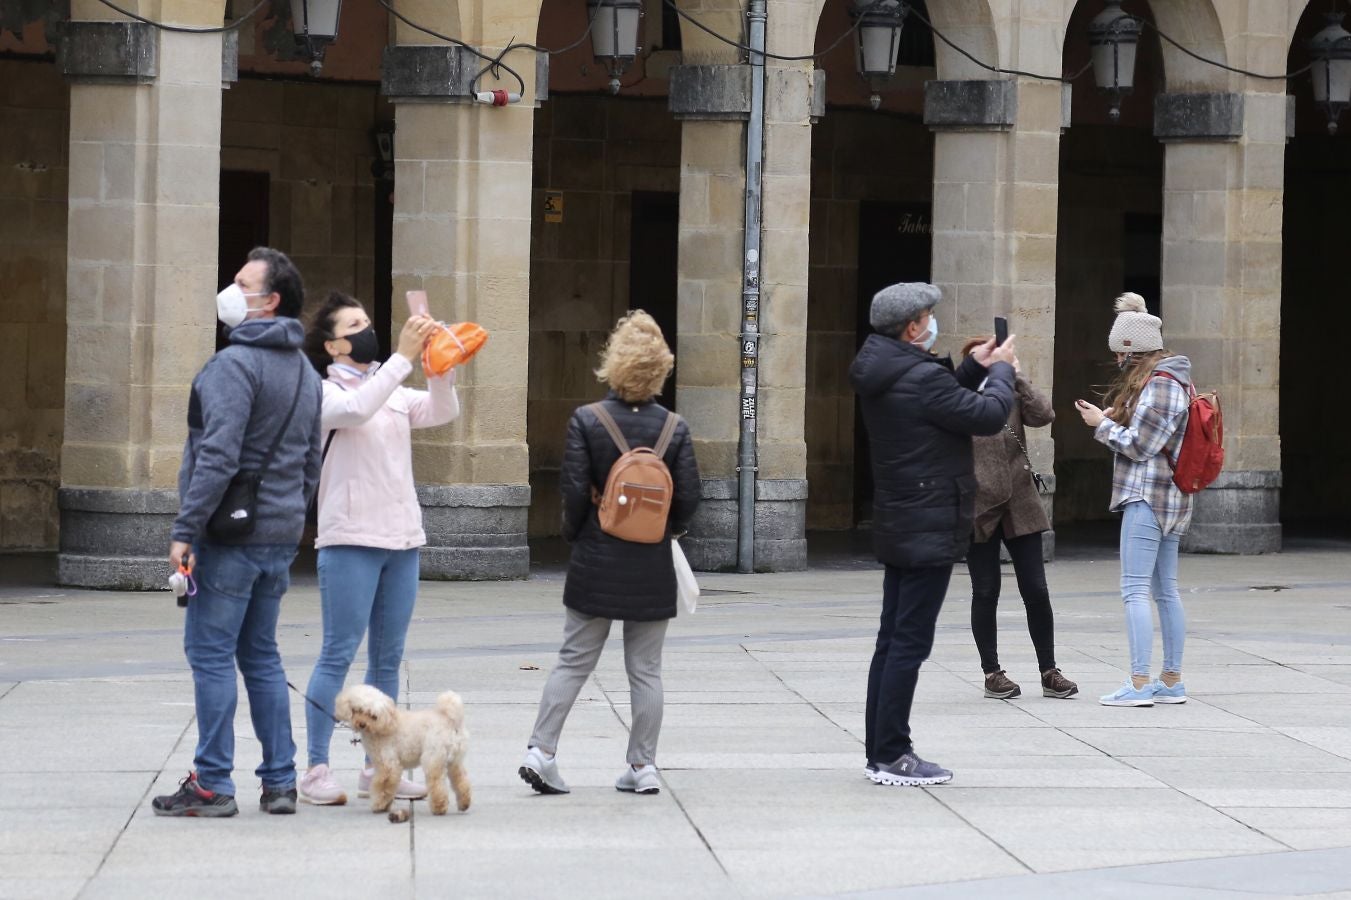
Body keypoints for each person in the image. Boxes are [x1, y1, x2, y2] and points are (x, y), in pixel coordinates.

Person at [153, 247, 323, 817]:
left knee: (210, 654)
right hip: (276, 537)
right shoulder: (304, 371)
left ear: (269, 301)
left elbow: (218, 456)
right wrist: (289, 518)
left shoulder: (232, 366)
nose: (231, 290)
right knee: (262, 657)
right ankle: (279, 781)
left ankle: (212, 781)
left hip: (227, 537)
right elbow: (308, 464)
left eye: (243, 283)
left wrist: (185, 529)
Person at [519, 310, 700, 797]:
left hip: (598, 558)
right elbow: (689, 500)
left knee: (573, 660)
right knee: (646, 670)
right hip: (651, 563)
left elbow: (574, 491)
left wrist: (578, 537)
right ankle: (642, 766)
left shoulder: (587, 420)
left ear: (612, 364)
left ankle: (542, 751)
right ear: (661, 368)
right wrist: (664, 532)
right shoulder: (674, 429)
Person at [849, 283, 1017, 787]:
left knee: (891, 638)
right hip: (929, 520)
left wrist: (973, 366)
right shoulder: (918, 377)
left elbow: (939, 401)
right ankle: (893, 754)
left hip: (903, 515)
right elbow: (986, 415)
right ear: (913, 327)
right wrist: (1003, 371)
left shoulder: (883, 367)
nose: (932, 321)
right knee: (909, 643)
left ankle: (880, 749)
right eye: (928, 315)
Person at [296, 292, 459, 806]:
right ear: (332, 344)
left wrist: (439, 363)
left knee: (387, 658)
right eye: (356, 324)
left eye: (368, 320)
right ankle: (316, 768)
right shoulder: (321, 392)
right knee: (337, 653)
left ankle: (378, 766)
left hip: (401, 538)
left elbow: (441, 410)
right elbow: (355, 409)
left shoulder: (388, 388)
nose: (368, 329)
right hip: (349, 539)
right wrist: (404, 359)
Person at [1075, 293, 1192, 708]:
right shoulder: (1174, 380)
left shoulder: (1161, 384)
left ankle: (1140, 682)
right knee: (1165, 591)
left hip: (1149, 496)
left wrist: (1100, 425)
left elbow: (1141, 445)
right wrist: (1110, 417)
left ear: (1133, 351)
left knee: (1135, 590)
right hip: (1170, 498)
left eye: (1120, 357)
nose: (1118, 364)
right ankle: (1171, 679)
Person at [959, 338, 1078, 701]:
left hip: (1020, 502)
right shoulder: (958, 397)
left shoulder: (1009, 390)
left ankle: (1049, 671)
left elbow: (1044, 415)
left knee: (1036, 589)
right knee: (985, 590)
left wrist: (1017, 376)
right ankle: (992, 673)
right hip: (979, 506)